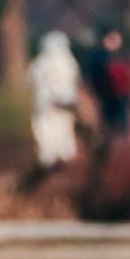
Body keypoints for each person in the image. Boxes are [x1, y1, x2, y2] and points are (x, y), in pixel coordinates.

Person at [29, 27, 84, 172]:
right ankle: (56, 159)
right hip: (53, 104)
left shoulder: (43, 63)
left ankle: (58, 159)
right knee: (54, 130)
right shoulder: (69, 62)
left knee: (56, 130)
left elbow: (32, 80)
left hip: (52, 105)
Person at [89, 26, 130, 143]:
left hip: (109, 96)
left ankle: (111, 144)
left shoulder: (98, 56)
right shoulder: (124, 54)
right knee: (121, 124)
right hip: (120, 95)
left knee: (110, 124)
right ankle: (120, 145)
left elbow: (93, 78)